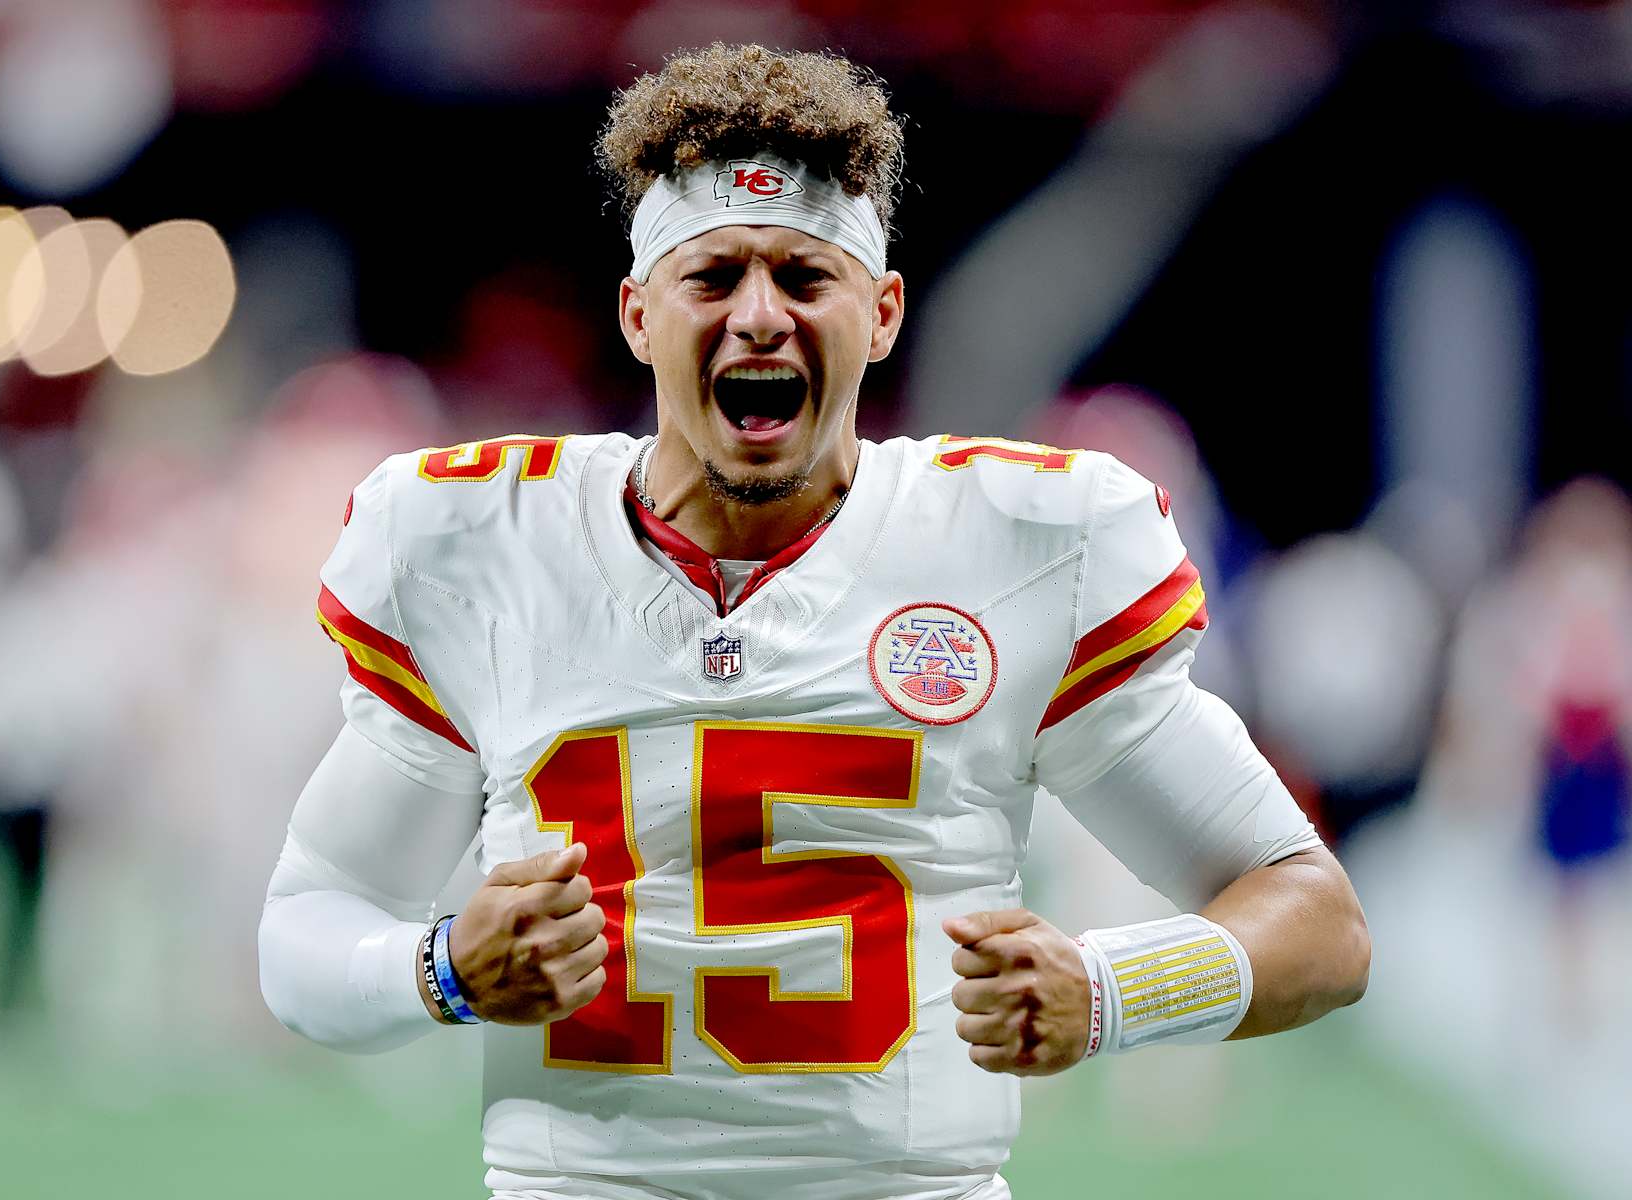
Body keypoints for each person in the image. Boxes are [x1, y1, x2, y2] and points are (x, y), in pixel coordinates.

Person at [258, 43, 1370, 1200]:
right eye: (714, 275)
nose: (757, 317)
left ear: (881, 314)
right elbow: (307, 931)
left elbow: (1319, 924)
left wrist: (1112, 990)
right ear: (638, 316)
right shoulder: (489, 550)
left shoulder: (1013, 548)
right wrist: (443, 970)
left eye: (802, 275)